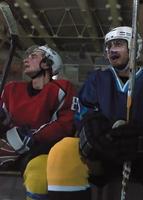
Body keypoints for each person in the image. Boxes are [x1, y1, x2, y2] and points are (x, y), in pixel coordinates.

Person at [46, 26, 143, 200]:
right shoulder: (96, 79)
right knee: (63, 149)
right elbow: (84, 114)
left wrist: (141, 137)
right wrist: (93, 131)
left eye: (118, 44)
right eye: (109, 46)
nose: (112, 50)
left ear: (134, 49)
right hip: (101, 154)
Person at [0, 45, 77, 200]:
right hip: (10, 148)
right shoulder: (11, 89)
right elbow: (4, 117)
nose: (26, 59)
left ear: (47, 64)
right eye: (27, 56)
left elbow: (66, 124)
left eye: (33, 56)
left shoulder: (62, 88)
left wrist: (33, 137)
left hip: (41, 151)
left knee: (38, 174)